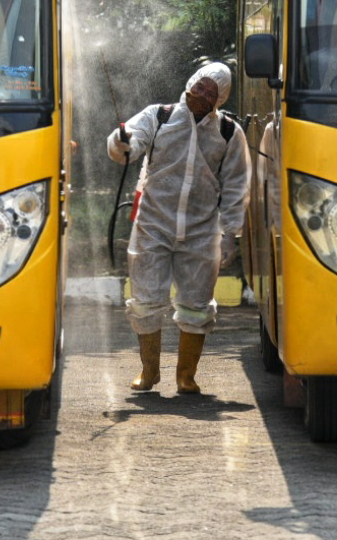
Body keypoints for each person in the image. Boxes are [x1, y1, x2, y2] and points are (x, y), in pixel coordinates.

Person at [106, 61, 250, 394]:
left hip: (201, 229)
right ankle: (149, 370)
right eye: (200, 86)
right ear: (190, 82)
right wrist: (121, 141)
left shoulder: (228, 132)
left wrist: (230, 233)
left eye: (210, 92)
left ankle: (186, 375)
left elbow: (236, 184)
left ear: (219, 100)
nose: (201, 94)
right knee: (145, 298)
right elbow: (128, 142)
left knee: (197, 304)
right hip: (153, 223)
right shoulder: (159, 116)